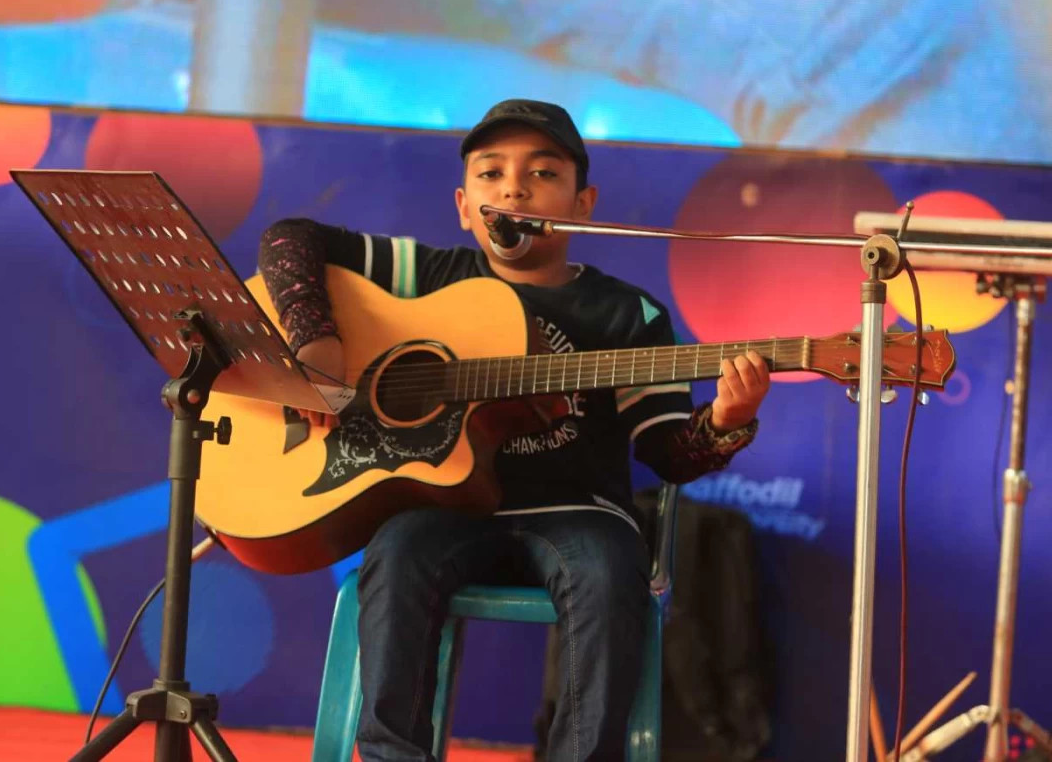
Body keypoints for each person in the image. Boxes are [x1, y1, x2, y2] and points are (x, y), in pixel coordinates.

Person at [258, 98, 771, 762]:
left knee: (608, 570)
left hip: (578, 512)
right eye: (490, 173)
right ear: (464, 206)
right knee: (397, 552)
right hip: (442, 508)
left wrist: (727, 420)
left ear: (584, 204)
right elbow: (289, 239)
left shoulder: (628, 314)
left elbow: (669, 454)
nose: (513, 189)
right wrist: (315, 341)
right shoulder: (428, 278)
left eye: (543, 173)